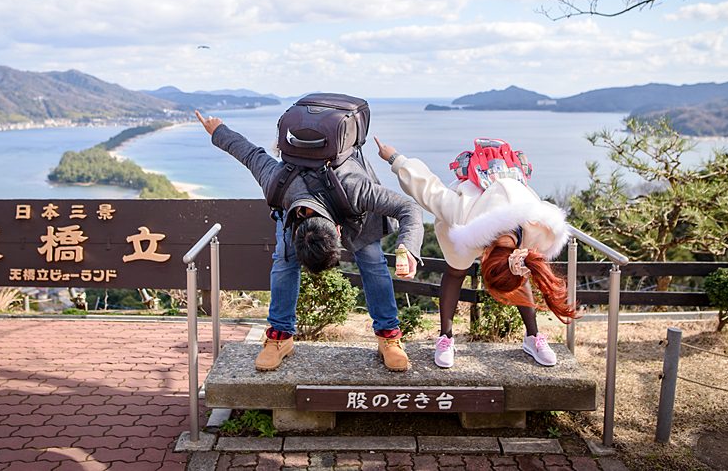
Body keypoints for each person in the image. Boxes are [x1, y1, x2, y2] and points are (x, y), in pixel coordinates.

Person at [195, 110, 425, 372]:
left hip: (349, 205)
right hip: (296, 203)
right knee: (283, 261)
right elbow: (249, 154)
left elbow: (410, 208)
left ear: (339, 231)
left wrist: (407, 248)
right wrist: (218, 131)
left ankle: (389, 337)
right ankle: (280, 337)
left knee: (372, 260)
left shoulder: (356, 186)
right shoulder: (277, 182)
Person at [374, 136, 577, 368]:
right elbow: (431, 191)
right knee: (456, 272)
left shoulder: (541, 230)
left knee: (519, 276)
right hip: (471, 213)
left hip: (516, 209)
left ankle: (533, 337)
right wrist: (395, 159)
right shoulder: (462, 215)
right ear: (485, 255)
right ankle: (446, 337)